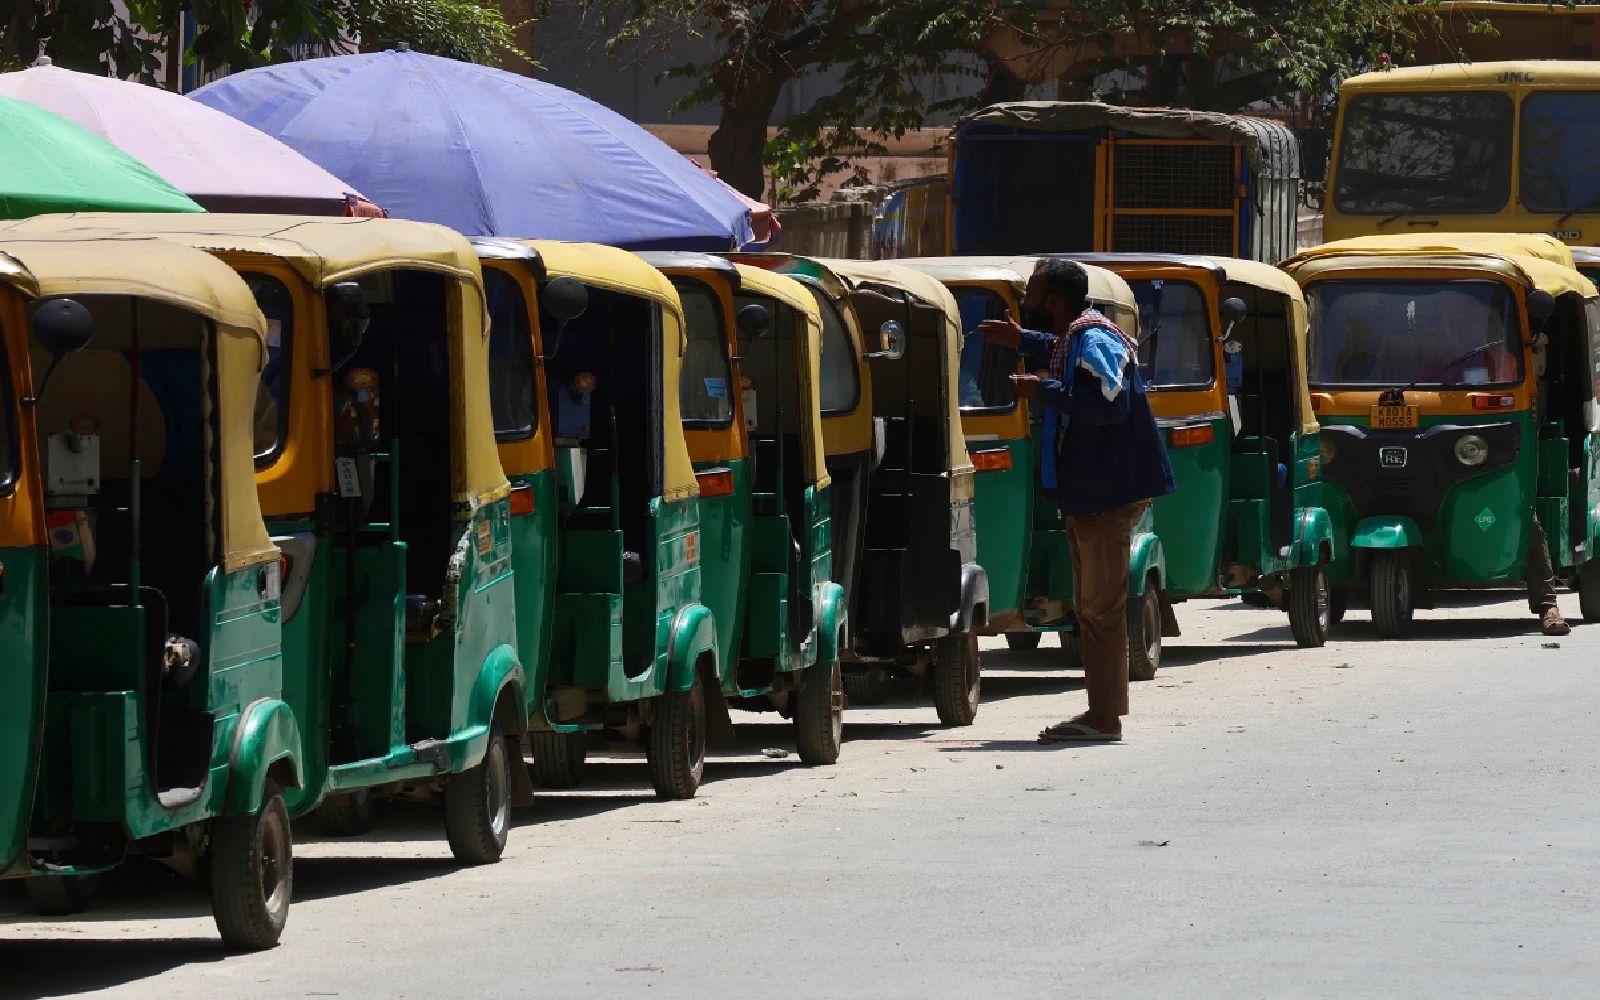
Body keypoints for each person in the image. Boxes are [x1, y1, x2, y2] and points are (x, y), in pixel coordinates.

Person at [980, 259, 1174, 743]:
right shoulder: (1078, 336)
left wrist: (1040, 390)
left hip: (1106, 495)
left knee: (1100, 610)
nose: (1026, 298)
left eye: (1033, 291)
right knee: (1093, 609)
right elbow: (1065, 353)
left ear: (1053, 301)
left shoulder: (1093, 340)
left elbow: (1107, 404)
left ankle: (1103, 718)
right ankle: (1101, 712)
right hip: (1090, 494)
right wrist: (1021, 340)